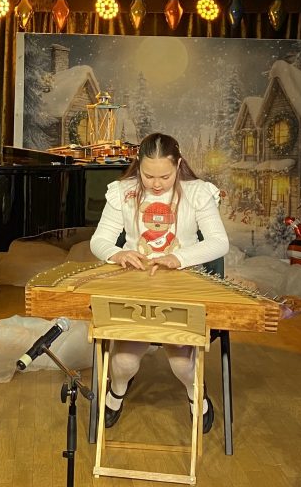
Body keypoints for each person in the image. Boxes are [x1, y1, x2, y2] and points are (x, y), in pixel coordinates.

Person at [89, 132, 229, 434]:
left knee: (182, 365)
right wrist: (118, 253)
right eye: (148, 175)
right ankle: (116, 392)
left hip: (181, 284)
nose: (155, 184)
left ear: (178, 165)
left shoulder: (196, 193)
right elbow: (99, 240)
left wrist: (179, 257)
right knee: (124, 363)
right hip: (136, 285)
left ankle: (196, 393)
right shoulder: (124, 192)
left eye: (164, 176)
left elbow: (219, 242)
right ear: (138, 166)